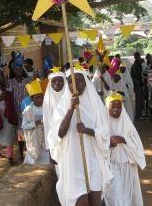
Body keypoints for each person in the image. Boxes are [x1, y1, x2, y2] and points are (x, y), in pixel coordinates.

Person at [48, 66, 112, 206]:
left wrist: (87, 130)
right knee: (80, 200)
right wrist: (71, 109)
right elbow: (60, 132)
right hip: (73, 160)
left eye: (79, 80)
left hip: (93, 158)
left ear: (86, 82)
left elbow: (105, 132)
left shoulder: (95, 104)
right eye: (71, 81)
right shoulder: (63, 104)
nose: (75, 84)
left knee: (96, 200)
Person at [105, 92, 146, 206]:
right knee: (116, 194)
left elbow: (137, 145)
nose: (116, 110)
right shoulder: (103, 124)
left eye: (119, 107)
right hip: (111, 164)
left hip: (128, 164)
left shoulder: (127, 124)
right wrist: (107, 144)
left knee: (127, 193)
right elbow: (98, 143)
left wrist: (123, 140)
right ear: (107, 107)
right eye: (112, 106)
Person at [6, 52, 30, 162]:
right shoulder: (10, 82)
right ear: (13, 71)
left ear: (23, 70)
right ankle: (16, 154)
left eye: (20, 69)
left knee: (25, 133)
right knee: (16, 134)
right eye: (16, 70)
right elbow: (7, 92)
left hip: (26, 111)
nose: (18, 71)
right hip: (15, 111)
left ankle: (25, 152)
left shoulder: (28, 81)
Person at [22, 79, 49, 165]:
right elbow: (24, 126)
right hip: (34, 140)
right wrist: (35, 123)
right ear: (32, 98)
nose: (40, 99)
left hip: (45, 140)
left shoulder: (47, 107)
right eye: (37, 97)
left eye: (41, 97)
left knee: (46, 161)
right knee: (34, 161)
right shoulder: (28, 111)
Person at [43, 67, 66, 151]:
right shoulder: (47, 100)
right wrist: (50, 146)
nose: (57, 83)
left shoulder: (69, 97)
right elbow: (47, 125)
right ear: (50, 83)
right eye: (53, 81)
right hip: (54, 139)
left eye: (60, 81)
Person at [131, 52, 144, 120]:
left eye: (139, 56)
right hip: (137, 84)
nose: (139, 57)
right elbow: (136, 76)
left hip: (139, 84)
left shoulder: (138, 64)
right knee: (138, 100)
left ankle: (140, 114)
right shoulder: (135, 65)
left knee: (140, 99)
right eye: (138, 56)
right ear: (135, 57)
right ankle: (138, 115)